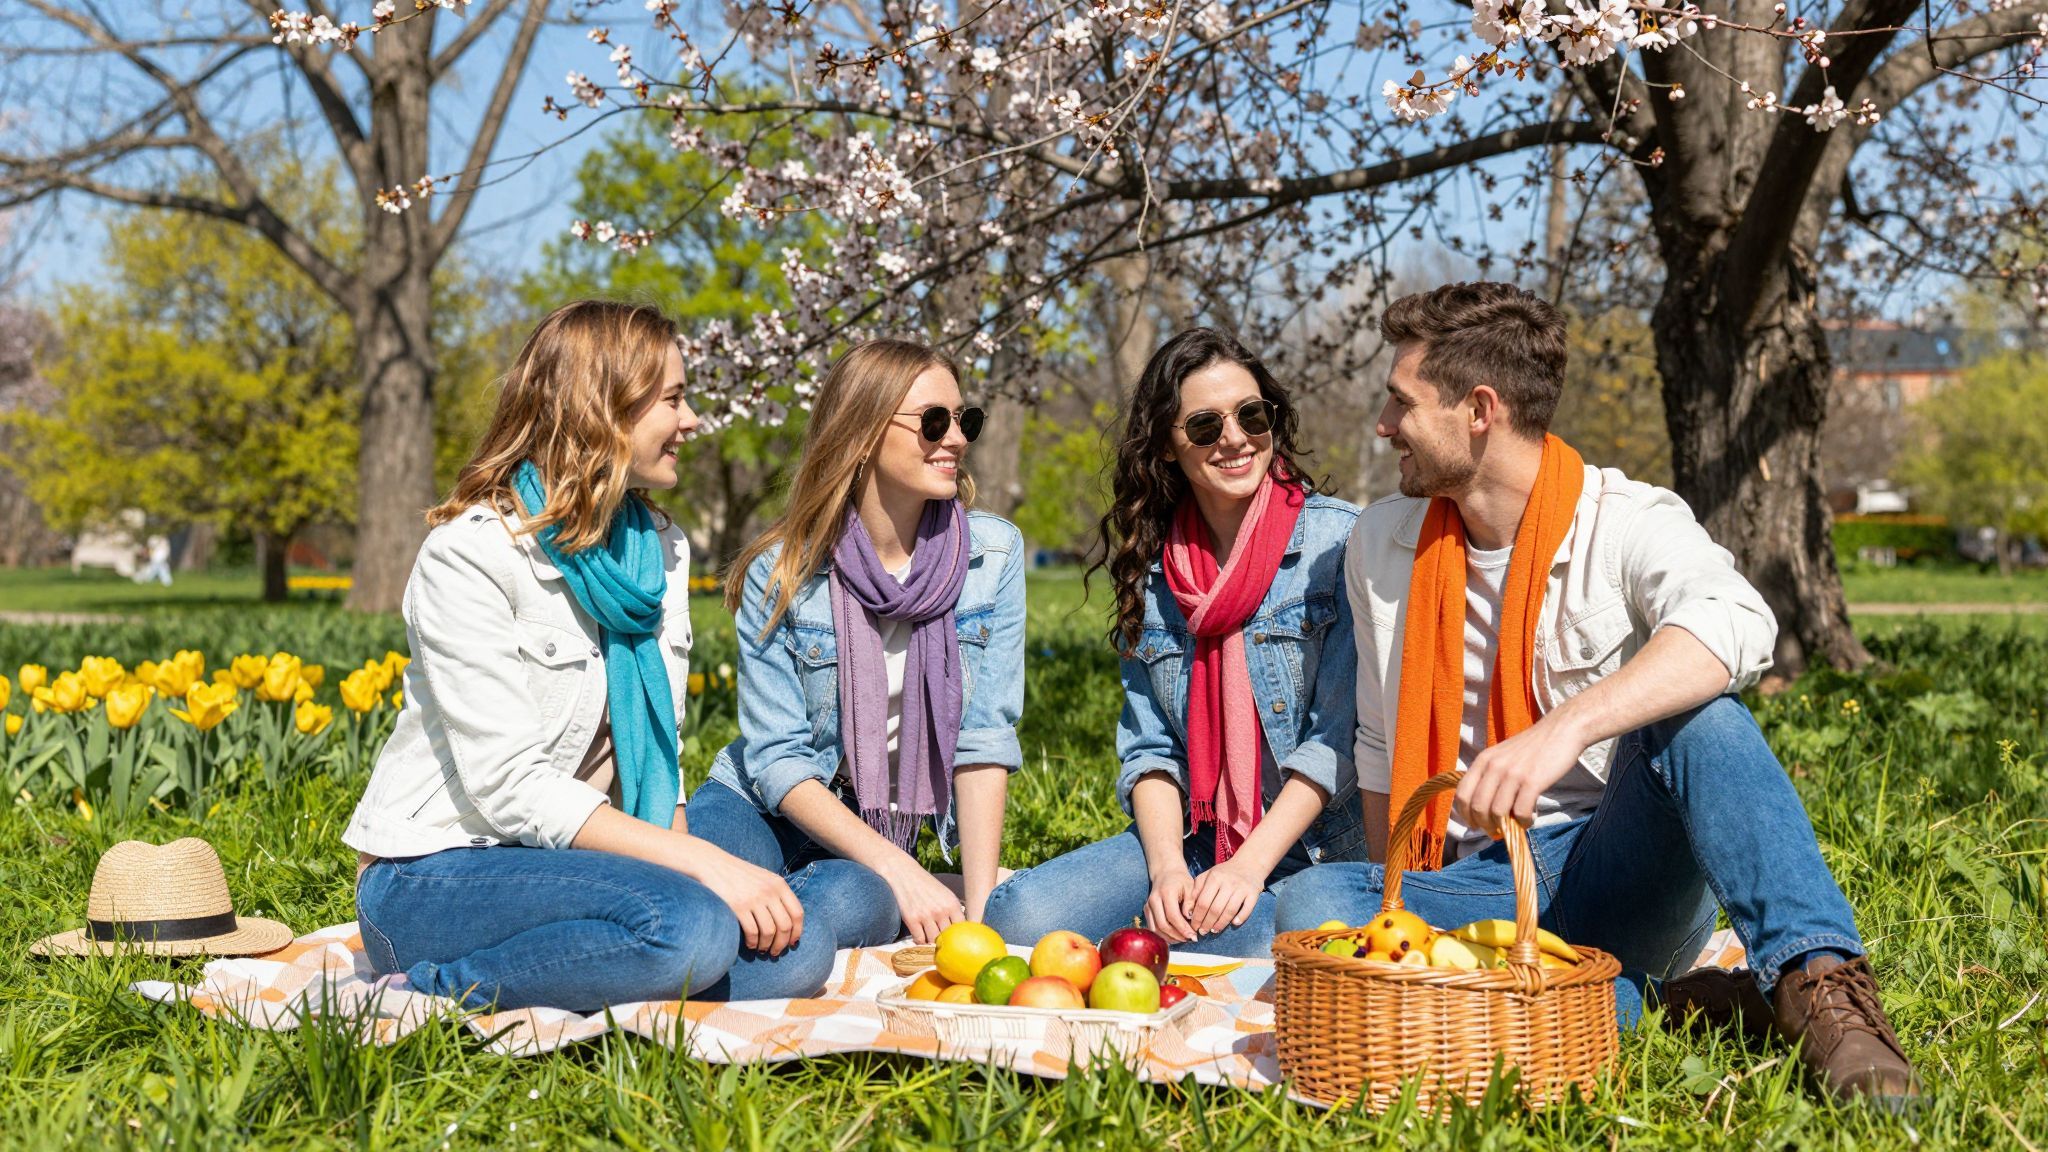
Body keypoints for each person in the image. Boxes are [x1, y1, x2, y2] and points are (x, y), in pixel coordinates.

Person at [1273, 282, 1919, 1108]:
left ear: (1479, 409)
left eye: (1401, 402)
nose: (1383, 425)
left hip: (1611, 859)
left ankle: (1825, 997)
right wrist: (1387, 914)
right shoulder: (1380, 541)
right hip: (1472, 879)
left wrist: (1565, 730)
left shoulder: (1626, 520)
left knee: (1702, 721)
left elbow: (1738, 620)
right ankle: (1646, 1003)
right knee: (1315, 900)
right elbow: (1375, 744)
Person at [344, 301, 830, 1012]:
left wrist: (705, 872)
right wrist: (706, 870)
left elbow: (655, 756)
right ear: (602, 410)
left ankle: (614, 965)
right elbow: (509, 786)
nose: (692, 420)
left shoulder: (657, 551)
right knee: (691, 928)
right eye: (673, 399)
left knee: (802, 946)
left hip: (574, 861)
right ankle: (421, 991)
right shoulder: (471, 556)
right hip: (437, 873)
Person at [982, 329, 1365, 956]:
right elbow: (1150, 748)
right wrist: (1166, 872)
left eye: (1251, 414)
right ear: (1167, 444)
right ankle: (1149, 926)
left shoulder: (1337, 545)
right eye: (1206, 426)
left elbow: (1337, 741)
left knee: (1222, 948)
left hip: (1317, 849)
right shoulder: (1154, 571)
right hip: (1196, 838)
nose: (1236, 438)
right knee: (1019, 917)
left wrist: (1247, 869)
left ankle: (1181, 935)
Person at [689, 339, 1026, 948]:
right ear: (864, 431)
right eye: (932, 421)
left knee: (844, 909)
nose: (955, 438)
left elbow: (983, 740)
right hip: (762, 806)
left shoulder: (992, 555)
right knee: (700, 907)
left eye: (963, 420)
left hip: (872, 837)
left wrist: (979, 914)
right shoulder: (783, 569)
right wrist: (902, 869)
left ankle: (871, 896)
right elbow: (778, 760)